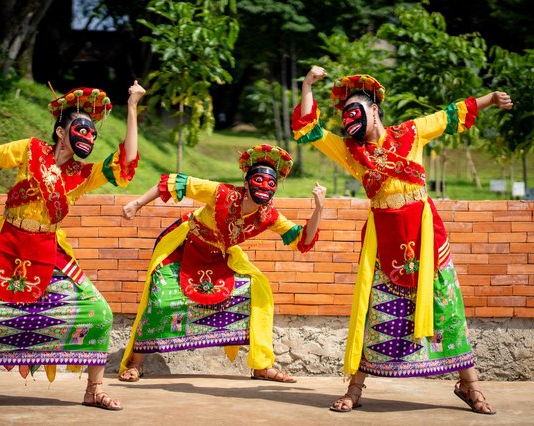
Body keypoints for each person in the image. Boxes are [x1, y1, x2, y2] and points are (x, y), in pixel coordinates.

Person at [0, 81, 146, 412]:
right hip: (5, 243)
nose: (88, 136)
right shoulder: (30, 150)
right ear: (61, 132)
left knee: (100, 312)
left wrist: (132, 106)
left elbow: (126, 164)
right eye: (81, 128)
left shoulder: (82, 175)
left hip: (50, 249)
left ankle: (94, 388)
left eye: (92, 132)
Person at [291, 67, 513, 415]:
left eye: (355, 112)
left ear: (374, 110)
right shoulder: (351, 152)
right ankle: (355, 388)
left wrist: (490, 99)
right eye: (345, 116)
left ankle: (469, 386)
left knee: (447, 308)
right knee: (375, 313)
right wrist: (306, 86)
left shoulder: (412, 132)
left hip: (426, 234)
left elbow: (449, 115)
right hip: (385, 242)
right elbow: (308, 129)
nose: (349, 121)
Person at [118, 144, 327, 383]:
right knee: (159, 296)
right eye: (258, 180)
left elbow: (302, 240)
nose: (265, 187)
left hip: (219, 255)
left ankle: (261, 366)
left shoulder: (269, 215)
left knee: (258, 291)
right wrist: (137, 203)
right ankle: (136, 363)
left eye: (271, 184)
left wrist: (319, 209)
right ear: (246, 183)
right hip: (185, 246)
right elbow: (176, 182)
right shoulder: (222, 193)